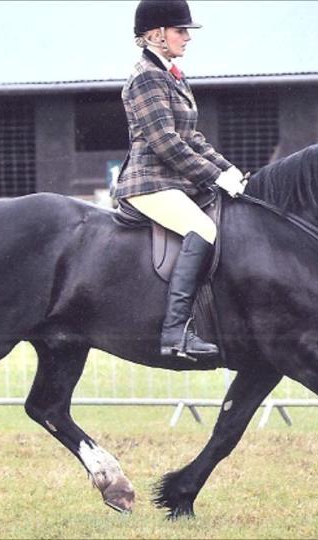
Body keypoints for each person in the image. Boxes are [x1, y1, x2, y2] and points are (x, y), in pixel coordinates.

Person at [112, 0, 247, 361]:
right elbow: (164, 141)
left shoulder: (172, 74)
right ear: (156, 34)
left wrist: (228, 169)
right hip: (149, 182)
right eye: (180, 30)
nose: (187, 37)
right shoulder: (146, 75)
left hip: (174, 181)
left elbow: (191, 137)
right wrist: (214, 177)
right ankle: (176, 333)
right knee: (203, 228)